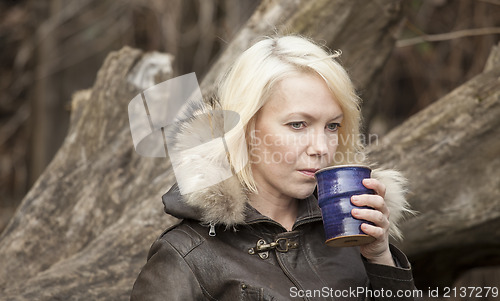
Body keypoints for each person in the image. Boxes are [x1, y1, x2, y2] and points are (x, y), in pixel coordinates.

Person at [130, 35, 416, 300]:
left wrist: (380, 259)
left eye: (332, 126)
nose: (321, 147)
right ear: (247, 129)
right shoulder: (186, 255)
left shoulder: (352, 233)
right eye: (298, 125)